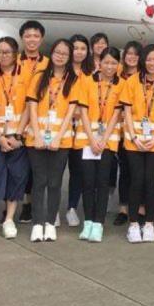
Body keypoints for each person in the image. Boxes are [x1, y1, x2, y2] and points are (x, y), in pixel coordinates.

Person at [25, 39, 80, 243]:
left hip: (61, 140)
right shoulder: (39, 76)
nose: (60, 56)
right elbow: (31, 106)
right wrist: (38, 134)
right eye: (57, 52)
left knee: (55, 183)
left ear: (69, 57)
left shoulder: (73, 80)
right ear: (52, 53)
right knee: (39, 182)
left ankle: (50, 223)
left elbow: (70, 112)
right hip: (36, 139)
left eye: (65, 54)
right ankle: (37, 224)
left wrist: (57, 137)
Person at [121, 44, 154, 244]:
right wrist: (134, 137)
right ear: (143, 60)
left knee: (149, 180)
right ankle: (133, 224)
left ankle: (149, 223)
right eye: (149, 59)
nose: (152, 63)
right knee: (136, 179)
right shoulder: (132, 81)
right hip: (134, 141)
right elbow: (126, 111)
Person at [75, 46, 123, 243]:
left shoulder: (122, 85)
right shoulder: (87, 82)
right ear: (99, 63)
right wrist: (92, 138)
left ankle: (99, 223)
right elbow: (83, 112)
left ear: (118, 64)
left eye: (113, 62)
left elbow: (116, 115)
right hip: (87, 140)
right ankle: (87, 222)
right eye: (106, 62)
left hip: (107, 143)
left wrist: (103, 140)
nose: (109, 66)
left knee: (102, 183)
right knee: (88, 182)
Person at [0, 36, 31, 239]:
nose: (3, 56)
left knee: (17, 178)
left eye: (7, 52)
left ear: (16, 54)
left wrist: (18, 135)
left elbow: (30, 107)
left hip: (18, 139)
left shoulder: (27, 75)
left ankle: (9, 219)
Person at [16, 19, 48, 226]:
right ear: (22, 38)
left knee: (36, 170)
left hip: (38, 123)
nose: (32, 40)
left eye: (36, 36)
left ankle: (30, 205)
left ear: (42, 39)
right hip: (16, 121)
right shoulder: (15, 61)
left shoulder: (48, 63)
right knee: (18, 170)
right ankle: (10, 205)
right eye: (28, 36)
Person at [64, 35, 94, 227]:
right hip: (61, 130)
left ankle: (71, 208)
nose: (79, 52)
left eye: (83, 48)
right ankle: (51, 212)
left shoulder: (91, 74)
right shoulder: (60, 72)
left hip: (81, 132)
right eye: (75, 48)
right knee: (56, 172)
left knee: (78, 172)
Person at [112, 41, 141, 226]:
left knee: (139, 173)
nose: (131, 57)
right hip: (120, 132)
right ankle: (123, 208)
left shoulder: (143, 77)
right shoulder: (116, 74)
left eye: (135, 54)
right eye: (128, 54)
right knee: (125, 172)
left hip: (138, 133)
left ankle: (139, 207)